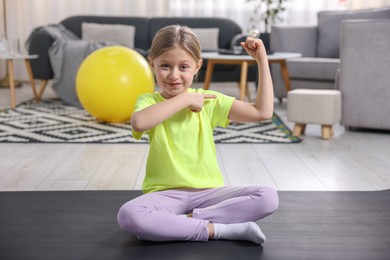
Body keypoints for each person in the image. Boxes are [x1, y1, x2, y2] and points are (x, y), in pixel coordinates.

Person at [117, 25, 279, 245]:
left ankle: (177, 223)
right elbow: (139, 122)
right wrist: (185, 99)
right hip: (165, 195)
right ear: (152, 63)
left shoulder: (209, 101)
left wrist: (262, 61)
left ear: (197, 67)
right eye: (165, 66)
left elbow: (263, 112)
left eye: (183, 66)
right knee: (129, 215)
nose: (174, 75)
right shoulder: (148, 101)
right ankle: (221, 230)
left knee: (268, 197)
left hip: (209, 196)